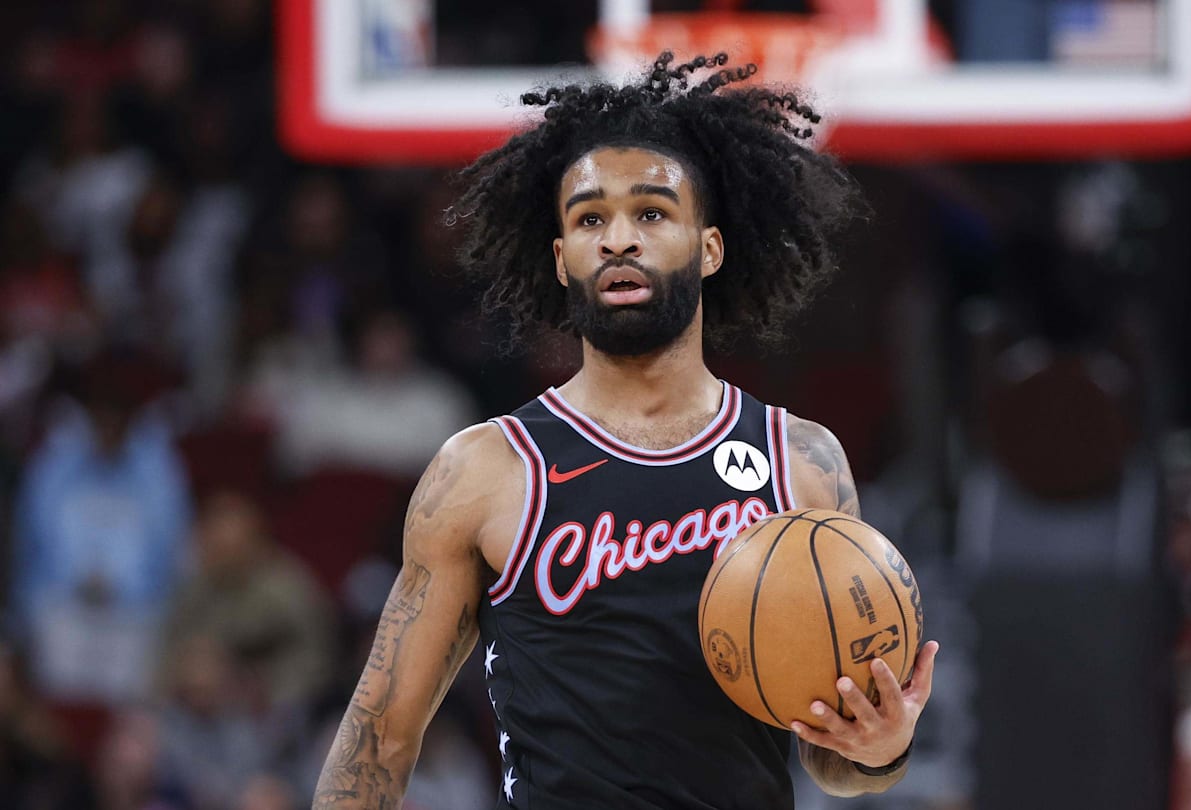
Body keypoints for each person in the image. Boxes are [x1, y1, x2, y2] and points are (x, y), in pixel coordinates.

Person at [312, 51, 941, 809]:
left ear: (709, 247)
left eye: (650, 212)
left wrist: (880, 747)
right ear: (561, 257)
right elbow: (381, 737)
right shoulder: (486, 471)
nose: (617, 239)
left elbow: (830, 759)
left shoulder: (802, 461)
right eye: (589, 219)